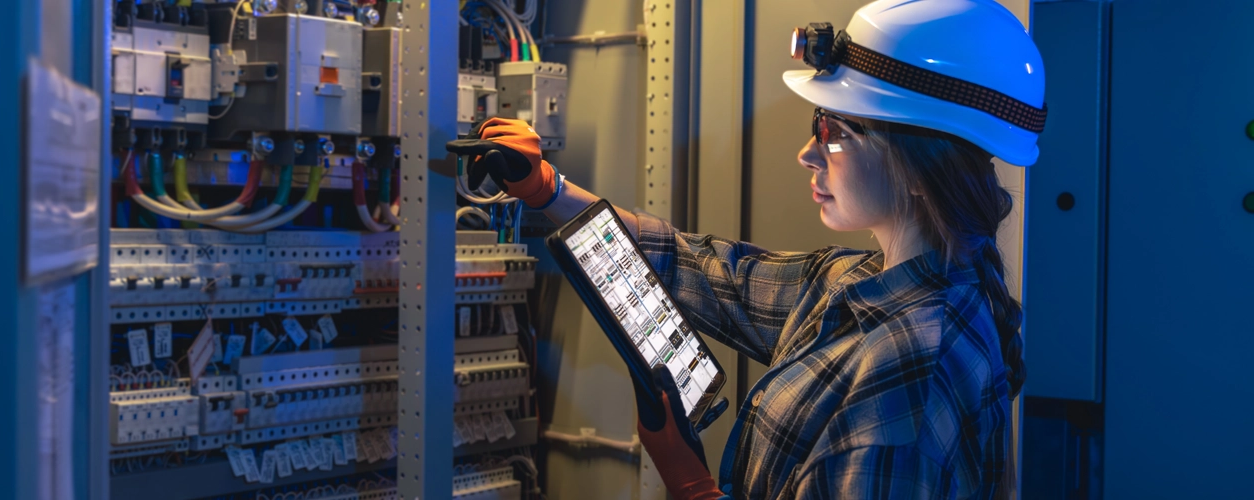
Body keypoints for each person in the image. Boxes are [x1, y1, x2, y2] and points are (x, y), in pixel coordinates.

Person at [447, 0, 1045, 497]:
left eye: (835, 132)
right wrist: (547, 188)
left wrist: (689, 482)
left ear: (923, 170)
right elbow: (704, 271)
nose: (808, 154)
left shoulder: (908, 375)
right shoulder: (861, 283)